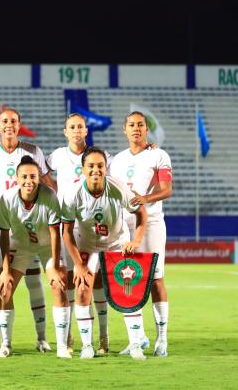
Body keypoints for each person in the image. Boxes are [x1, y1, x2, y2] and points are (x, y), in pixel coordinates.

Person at [0, 108, 56, 353]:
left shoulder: (33, 151)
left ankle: (41, 338)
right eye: (5, 121)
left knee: (34, 281)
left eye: (13, 121)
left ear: (19, 125)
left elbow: (48, 184)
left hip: (30, 227)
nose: (9, 125)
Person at [61, 147, 148, 359]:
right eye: (91, 166)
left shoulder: (118, 187)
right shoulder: (72, 194)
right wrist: (78, 265)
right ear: (83, 169)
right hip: (88, 246)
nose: (95, 170)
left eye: (100, 166)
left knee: (128, 290)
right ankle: (87, 346)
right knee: (82, 288)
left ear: (105, 168)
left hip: (116, 244)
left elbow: (140, 212)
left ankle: (135, 344)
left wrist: (136, 240)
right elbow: (66, 233)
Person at [46, 113, 114, 355]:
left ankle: (103, 337)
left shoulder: (99, 156)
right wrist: (55, 189)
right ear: (65, 132)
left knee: (96, 281)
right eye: (72, 127)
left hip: (92, 226)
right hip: (67, 224)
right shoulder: (57, 155)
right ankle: (68, 336)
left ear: (86, 130)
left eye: (80, 127)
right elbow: (40, 169)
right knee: (68, 280)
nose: (76, 130)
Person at [109, 111, 173, 357]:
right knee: (128, 279)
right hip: (124, 226)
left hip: (152, 223)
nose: (136, 128)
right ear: (124, 130)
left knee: (156, 279)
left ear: (147, 129)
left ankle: (162, 339)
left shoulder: (158, 155)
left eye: (140, 125)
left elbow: (167, 190)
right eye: (131, 125)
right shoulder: (117, 160)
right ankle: (138, 339)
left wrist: (146, 198)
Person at [0, 156, 68, 358]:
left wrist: (55, 266)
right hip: (21, 244)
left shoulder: (49, 195)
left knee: (58, 285)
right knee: (5, 289)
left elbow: (55, 233)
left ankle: (61, 346)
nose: (29, 181)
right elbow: (3, 235)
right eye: (24, 177)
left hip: (47, 245)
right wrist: (5, 270)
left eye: (33, 176)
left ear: (39, 177)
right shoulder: (7, 198)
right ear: (17, 179)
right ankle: (6, 345)